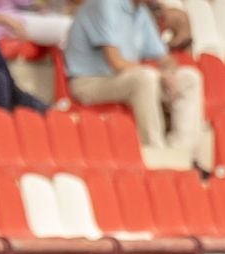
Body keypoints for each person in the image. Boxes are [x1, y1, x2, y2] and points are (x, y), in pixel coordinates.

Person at [64, 0, 203, 162]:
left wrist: (169, 72)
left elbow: (164, 58)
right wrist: (159, 74)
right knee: (145, 78)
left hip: (123, 80)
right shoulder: (105, 5)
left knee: (190, 78)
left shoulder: (140, 12)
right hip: (89, 83)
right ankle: (155, 152)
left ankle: (183, 154)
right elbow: (116, 62)